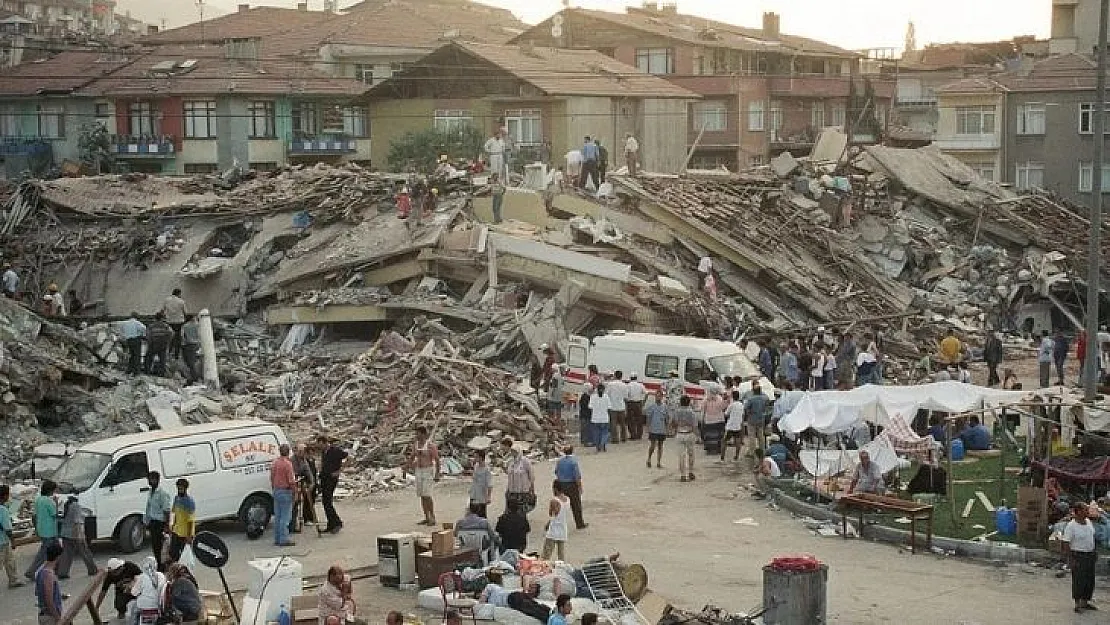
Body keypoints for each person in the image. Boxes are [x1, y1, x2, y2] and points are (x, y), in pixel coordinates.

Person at [1063, 502, 1098, 613]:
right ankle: (1077, 604)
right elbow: (1065, 543)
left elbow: (1092, 537)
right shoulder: (1071, 526)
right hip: (1078, 555)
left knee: (1089, 580)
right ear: (1078, 512)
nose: (1087, 512)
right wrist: (1071, 559)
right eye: (1085, 510)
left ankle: (1085, 601)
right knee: (1079, 580)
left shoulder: (1088, 522)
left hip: (1090, 554)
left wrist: (1094, 551)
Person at [24, 480, 60, 581]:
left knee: (55, 550)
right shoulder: (49, 501)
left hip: (42, 529)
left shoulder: (38, 500)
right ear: (50, 490)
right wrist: (56, 503)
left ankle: (56, 569)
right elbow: (54, 514)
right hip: (50, 530)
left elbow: (34, 516)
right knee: (44, 553)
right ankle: (31, 571)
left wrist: (36, 528)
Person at [56, 495, 96, 579]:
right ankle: (92, 569)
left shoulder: (65, 505)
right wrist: (80, 535)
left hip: (65, 533)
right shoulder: (76, 506)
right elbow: (77, 521)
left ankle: (62, 572)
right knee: (85, 552)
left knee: (66, 554)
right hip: (75, 533)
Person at [407, 426, 440, 526]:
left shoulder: (430, 446)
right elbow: (412, 456)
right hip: (419, 470)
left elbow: (437, 460)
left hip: (428, 470)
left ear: (423, 434)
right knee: (422, 495)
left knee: (427, 495)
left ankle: (432, 517)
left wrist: (437, 474)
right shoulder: (416, 445)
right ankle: (426, 517)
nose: (417, 435)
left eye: (418, 433)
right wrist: (406, 467)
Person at [318, 435, 347, 534]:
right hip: (324, 478)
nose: (320, 447)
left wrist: (339, 471)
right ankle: (331, 524)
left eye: (321, 445)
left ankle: (337, 523)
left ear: (326, 443)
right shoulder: (324, 452)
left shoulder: (335, 451)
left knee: (327, 501)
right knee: (325, 502)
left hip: (332, 478)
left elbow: (349, 458)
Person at [270, 444, 297, 547]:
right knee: (285, 517)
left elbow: (272, 477)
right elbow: (291, 481)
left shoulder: (275, 462)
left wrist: (274, 487)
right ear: (288, 452)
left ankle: (277, 538)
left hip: (277, 490)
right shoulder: (288, 464)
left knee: (278, 516)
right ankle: (284, 539)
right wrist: (295, 492)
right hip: (286, 491)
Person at [554, 446, 586, 530]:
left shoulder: (559, 461)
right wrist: (580, 487)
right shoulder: (573, 462)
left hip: (561, 484)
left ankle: (551, 523)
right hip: (571, 485)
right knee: (576, 506)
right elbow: (577, 477)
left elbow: (556, 472)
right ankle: (579, 524)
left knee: (559, 505)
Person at [34, 541, 64, 625]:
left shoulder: (41, 569)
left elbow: (39, 592)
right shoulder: (48, 575)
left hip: (44, 614)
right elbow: (49, 601)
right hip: (49, 617)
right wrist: (58, 618)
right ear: (58, 557)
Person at [502, 436, 535, 513]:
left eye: (515, 451)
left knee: (521, 511)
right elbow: (509, 473)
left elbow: (531, 476)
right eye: (512, 451)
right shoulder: (511, 462)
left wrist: (532, 489)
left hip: (522, 491)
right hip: (512, 490)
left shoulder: (525, 462)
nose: (513, 453)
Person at [291, 442, 317, 533]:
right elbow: (293, 472)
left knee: (307, 500)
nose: (302, 453)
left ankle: (307, 518)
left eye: (303, 451)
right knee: (294, 504)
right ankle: (292, 524)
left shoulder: (304, 460)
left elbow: (308, 471)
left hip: (301, 482)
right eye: (301, 451)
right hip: (293, 483)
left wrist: (312, 482)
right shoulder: (292, 460)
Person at [131, 556, 166, 625]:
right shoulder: (161, 575)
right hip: (159, 606)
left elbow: (134, 593)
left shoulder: (142, 577)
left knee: (132, 608)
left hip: (144, 607)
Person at [0, 485, 23, 588]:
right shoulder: (3, 510)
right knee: (8, 561)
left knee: (10, 561)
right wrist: (13, 541)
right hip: (2, 541)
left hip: (3, 540)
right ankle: (13, 580)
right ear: (4, 496)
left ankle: (13, 580)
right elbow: (7, 528)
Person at [167, 478, 195, 563]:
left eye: (181, 489)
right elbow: (173, 512)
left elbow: (191, 520)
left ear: (186, 489)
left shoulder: (189, 502)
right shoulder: (176, 498)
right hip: (176, 530)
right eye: (178, 488)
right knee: (173, 552)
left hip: (185, 533)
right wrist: (171, 525)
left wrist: (189, 536)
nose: (180, 490)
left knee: (184, 555)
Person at [542, 482, 570, 562]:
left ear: (555, 489)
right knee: (561, 555)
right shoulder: (567, 499)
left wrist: (547, 524)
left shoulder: (554, 501)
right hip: (563, 528)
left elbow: (552, 514)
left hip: (553, 529)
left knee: (546, 554)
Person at [673, 396, 698, 483]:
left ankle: (683, 475)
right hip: (689, 433)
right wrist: (697, 435)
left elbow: (674, 422)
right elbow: (695, 425)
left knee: (681, 456)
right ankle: (691, 471)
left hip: (680, 433)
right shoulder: (692, 412)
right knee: (691, 454)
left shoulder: (677, 412)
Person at [161, 288, 187, 360]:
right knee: (178, 338)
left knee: (170, 336)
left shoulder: (166, 300)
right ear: (179, 293)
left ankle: (169, 352)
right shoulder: (181, 301)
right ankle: (176, 355)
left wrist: (164, 317)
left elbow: (162, 310)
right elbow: (185, 312)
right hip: (179, 322)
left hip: (169, 321)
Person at [744, 382, 769, 455]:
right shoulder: (764, 398)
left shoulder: (751, 399)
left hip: (752, 419)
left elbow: (746, 407)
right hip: (761, 418)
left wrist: (748, 413)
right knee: (760, 436)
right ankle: (762, 450)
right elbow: (767, 404)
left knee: (752, 436)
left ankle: (752, 452)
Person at [118, 312, 146, 376]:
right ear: (136, 317)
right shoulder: (137, 323)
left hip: (128, 340)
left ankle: (129, 370)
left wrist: (125, 335)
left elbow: (121, 330)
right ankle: (136, 372)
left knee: (131, 355)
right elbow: (144, 328)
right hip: (136, 340)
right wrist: (142, 334)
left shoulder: (125, 323)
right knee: (137, 356)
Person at [721, 390, 744, 462]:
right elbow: (743, 415)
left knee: (724, 441)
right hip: (738, 426)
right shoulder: (741, 405)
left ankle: (722, 458)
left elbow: (726, 414)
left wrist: (724, 410)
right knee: (738, 442)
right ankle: (736, 457)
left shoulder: (731, 405)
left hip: (730, 426)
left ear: (732, 397)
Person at [470, 449, 493, 518]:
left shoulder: (487, 469)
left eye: (476, 457)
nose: (475, 458)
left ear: (481, 457)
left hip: (482, 494)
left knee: (482, 514)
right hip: (474, 492)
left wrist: (489, 497)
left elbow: (490, 484)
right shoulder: (476, 466)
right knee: (472, 513)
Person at [606, 371, 628, 444]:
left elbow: (607, 394)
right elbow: (625, 397)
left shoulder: (610, 384)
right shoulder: (624, 385)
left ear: (615, 376)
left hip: (612, 406)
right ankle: (624, 437)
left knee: (613, 423)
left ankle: (615, 439)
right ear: (621, 376)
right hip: (621, 406)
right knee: (623, 423)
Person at [588, 384, 611, 452]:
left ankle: (598, 446)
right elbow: (609, 408)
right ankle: (603, 444)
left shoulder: (593, 396)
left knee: (596, 433)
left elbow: (590, 407)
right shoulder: (606, 397)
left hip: (595, 419)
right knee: (604, 433)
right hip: (604, 418)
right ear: (604, 390)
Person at [180, 315, 202, 385]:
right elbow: (200, 334)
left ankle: (193, 377)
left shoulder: (184, 326)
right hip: (197, 344)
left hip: (188, 345)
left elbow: (182, 336)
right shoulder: (198, 325)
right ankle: (196, 377)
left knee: (190, 363)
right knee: (196, 362)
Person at [625, 372, 646, 441]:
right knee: (639, 420)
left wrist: (626, 402)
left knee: (631, 420)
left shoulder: (628, 385)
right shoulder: (640, 385)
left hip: (630, 403)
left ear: (630, 378)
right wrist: (643, 402)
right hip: (639, 403)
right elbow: (646, 393)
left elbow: (626, 395)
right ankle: (639, 435)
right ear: (636, 378)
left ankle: (633, 435)